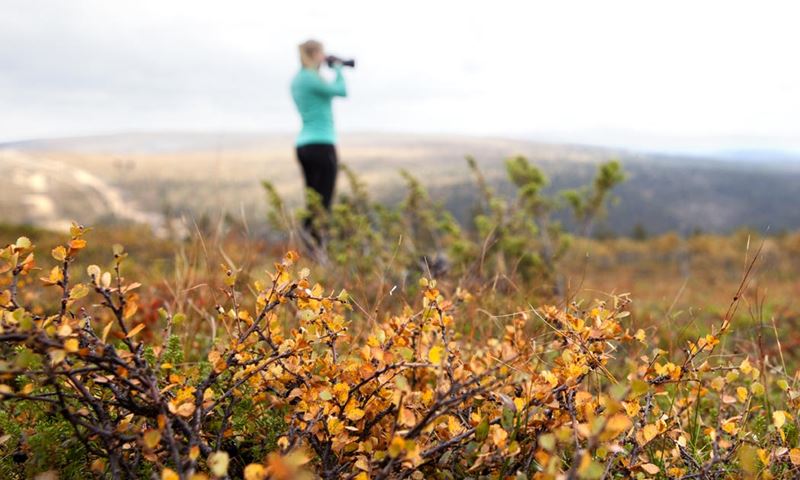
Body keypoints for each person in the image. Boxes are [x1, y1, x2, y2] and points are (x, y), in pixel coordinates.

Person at [290, 39, 348, 243]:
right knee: (324, 201)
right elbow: (341, 90)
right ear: (314, 54)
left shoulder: (298, 79)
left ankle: (307, 244)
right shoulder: (311, 78)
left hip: (304, 145)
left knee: (313, 199)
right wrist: (339, 69)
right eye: (321, 54)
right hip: (322, 144)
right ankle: (316, 247)